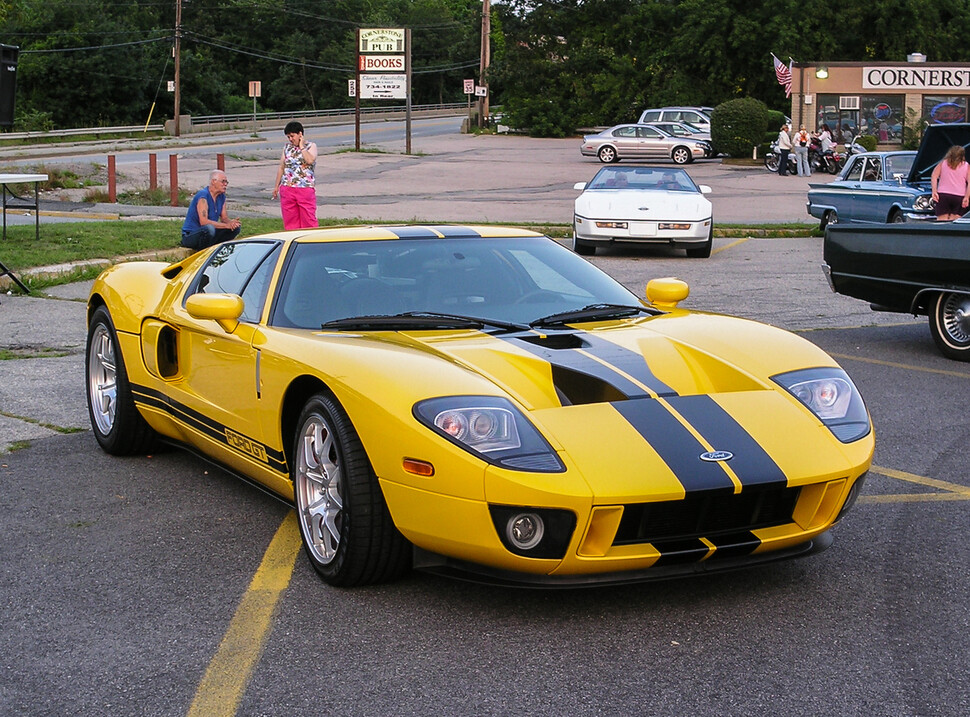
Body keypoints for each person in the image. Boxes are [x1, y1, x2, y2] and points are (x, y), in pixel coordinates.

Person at [272, 121, 318, 229]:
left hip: (304, 188)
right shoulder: (287, 148)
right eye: (288, 137)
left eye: (292, 136)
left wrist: (302, 146)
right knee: (290, 221)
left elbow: (309, 160)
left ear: (300, 134)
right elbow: (282, 167)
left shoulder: (311, 146)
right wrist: (276, 186)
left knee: (308, 219)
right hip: (287, 188)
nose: (291, 139)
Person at [180, 170, 242, 250]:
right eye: (223, 182)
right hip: (191, 235)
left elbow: (224, 218)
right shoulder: (203, 196)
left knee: (235, 228)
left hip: (210, 232)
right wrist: (226, 225)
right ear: (213, 181)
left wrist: (231, 223)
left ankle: (217, 249)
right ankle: (203, 251)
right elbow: (204, 222)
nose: (225, 184)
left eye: (226, 182)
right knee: (209, 229)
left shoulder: (221, 196)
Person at [931, 144, 970, 220]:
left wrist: (934, 191)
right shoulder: (966, 166)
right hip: (959, 196)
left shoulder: (943, 163)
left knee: (941, 222)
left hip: (943, 195)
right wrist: (967, 197)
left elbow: (934, 176)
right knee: (955, 222)